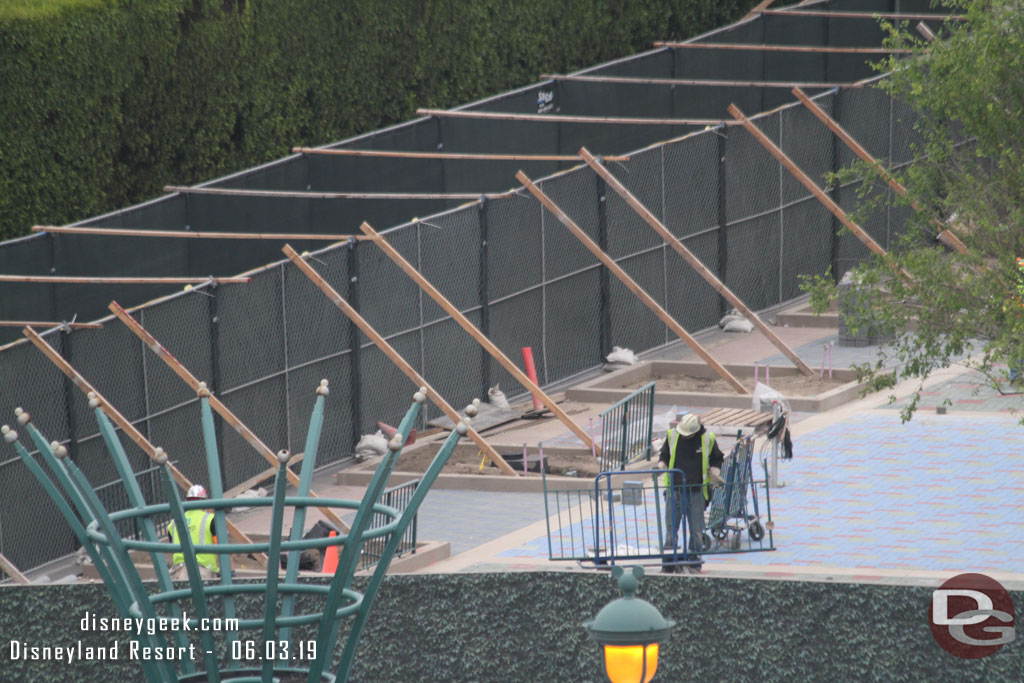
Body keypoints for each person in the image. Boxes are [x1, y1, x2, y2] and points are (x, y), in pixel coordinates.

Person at [656, 413, 725, 573]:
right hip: (675, 490)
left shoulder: (707, 438)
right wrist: (661, 465)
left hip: (696, 491)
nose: (685, 437)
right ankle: (668, 564)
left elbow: (717, 457)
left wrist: (715, 470)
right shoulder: (673, 435)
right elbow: (665, 455)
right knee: (671, 529)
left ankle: (694, 563)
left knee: (696, 530)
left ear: (695, 431)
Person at [167, 484, 219, 581]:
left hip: (178, 571)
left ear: (187, 501)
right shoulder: (210, 519)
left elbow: (172, 550)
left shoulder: (173, 523)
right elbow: (219, 545)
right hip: (203, 570)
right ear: (204, 501)